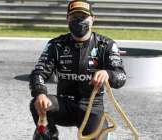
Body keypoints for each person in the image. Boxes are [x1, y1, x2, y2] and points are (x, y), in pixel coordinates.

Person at [29, 0, 126, 139]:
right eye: (74, 17)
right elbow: (38, 73)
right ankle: (48, 135)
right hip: (64, 105)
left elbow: (121, 76)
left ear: (93, 19)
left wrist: (108, 74)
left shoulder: (107, 45)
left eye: (83, 17)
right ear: (67, 18)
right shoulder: (56, 45)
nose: (79, 21)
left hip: (93, 108)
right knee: (36, 104)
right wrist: (40, 94)